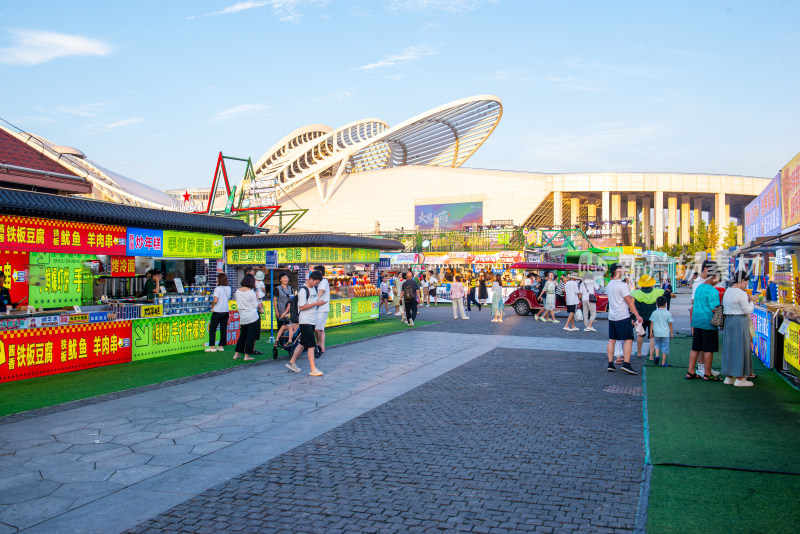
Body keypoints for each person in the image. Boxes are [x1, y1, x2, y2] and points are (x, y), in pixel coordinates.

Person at [721, 271, 759, 386]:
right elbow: (747, 310)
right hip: (739, 321)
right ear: (742, 281)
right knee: (741, 348)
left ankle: (729, 377)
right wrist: (752, 301)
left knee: (730, 348)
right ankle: (740, 378)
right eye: (746, 282)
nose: (746, 285)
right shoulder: (741, 293)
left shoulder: (728, 291)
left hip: (729, 321)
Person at [285, 270, 325, 376]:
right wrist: (316, 303)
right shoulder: (303, 290)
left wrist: (318, 303)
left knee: (303, 343)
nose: (317, 284)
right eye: (316, 282)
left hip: (312, 320)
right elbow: (301, 307)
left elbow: (311, 303)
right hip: (305, 321)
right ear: (310, 279)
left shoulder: (314, 289)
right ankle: (313, 369)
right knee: (311, 345)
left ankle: (292, 362)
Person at [606, 263, 643, 375]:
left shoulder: (609, 284)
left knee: (612, 339)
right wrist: (637, 315)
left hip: (612, 317)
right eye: (621, 269)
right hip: (623, 316)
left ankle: (610, 363)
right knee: (628, 339)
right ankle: (626, 364)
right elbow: (629, 301)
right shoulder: (622, 285)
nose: (623, 271)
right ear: (617, 272)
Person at [687, 264, 722, 381]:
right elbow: (714, 308)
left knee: (695, 347)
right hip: (708, 323)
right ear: (714, 277)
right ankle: (707, 373)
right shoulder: (713, 291)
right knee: (708, 349)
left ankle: (690, 371)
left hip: (697, 321)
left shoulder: (699, 287)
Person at [631, 275, 665, 360]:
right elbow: (666, 294)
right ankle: (651, 356)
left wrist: (634, 318)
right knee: (652, 336)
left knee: (640, 335)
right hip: (653, 318)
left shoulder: (637, 293)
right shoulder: (656, 292)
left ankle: (639, 353)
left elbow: (635, 308)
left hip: (641, 318)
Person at [233, 274, 263, 361]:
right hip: (252, 316)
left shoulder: (237, 291)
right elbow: (255, 305)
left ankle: (237, 353)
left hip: (242, 316)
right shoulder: (251, 293)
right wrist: (257, 297)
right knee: (250, 336)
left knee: (243, 335)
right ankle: (247, 355)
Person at [690, 261, 712, 376]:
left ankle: (703, 368)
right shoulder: (698, 283)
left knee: (702, 345)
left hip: (704, 316)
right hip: (701, 317)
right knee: (701, 345)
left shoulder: (708, 282)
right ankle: (701, 368)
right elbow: (693, 301)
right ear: (706, 269)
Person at [207, 273, 231, 352]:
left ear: (219, 280)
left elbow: (215, 300)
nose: (216, 280)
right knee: (223, 329)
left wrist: (212, 305)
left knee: (212, 328)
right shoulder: (229, 288)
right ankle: (221, 346)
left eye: (217, 279)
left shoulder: (217, 289)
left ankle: (212, 346)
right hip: (225, 311)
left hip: (217, 311)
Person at [650, 296, 673, 366]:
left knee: (657, 345)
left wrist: (651, 332)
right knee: (665, 346)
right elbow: (670, 324)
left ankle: (657, 355)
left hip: (656, 332)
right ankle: (663, 361)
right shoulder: (668, 313)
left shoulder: (654, 312)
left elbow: (652, 323)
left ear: (657, 304)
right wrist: (671, 333)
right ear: (666, 303)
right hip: (665, 333)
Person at [273, 272, 295, 344]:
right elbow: (274, 301)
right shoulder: (277, 289)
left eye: (287, 277)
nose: (286, 279)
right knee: (281, 326)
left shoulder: (290, 288)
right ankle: (280, 341)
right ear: (280, 280)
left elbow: (292, 299)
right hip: (281, 310)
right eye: (284, 278)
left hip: (289, 311)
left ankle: (288, 340)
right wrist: (276, 311)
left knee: (289, 326)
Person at [313, 265, 330, 355]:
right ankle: (322, 347)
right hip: (319, 308)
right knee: (321, 329)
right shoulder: (319, 282)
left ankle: (318, 343)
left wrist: (315, 300)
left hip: (322, 308)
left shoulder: (323, 281)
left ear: (320, 272)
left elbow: (321, 291)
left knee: (317, 329)